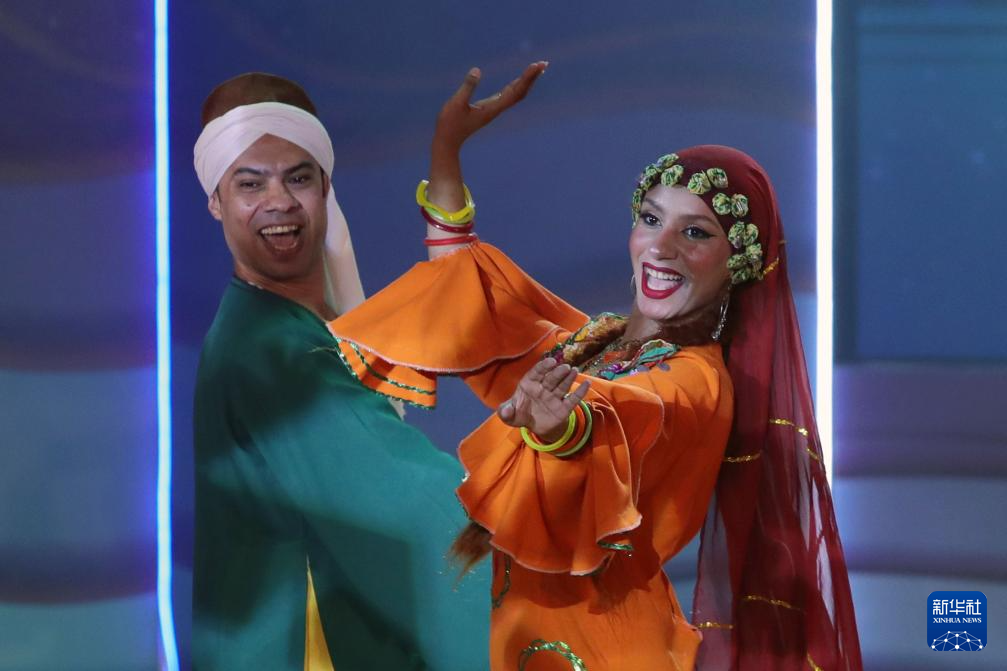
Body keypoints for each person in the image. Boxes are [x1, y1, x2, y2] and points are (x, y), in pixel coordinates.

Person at [328, 64, 863, 670]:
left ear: (736, 263)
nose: (661, 247)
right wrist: (446, 153)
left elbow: (628, 413)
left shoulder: (697, 381)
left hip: (604, 649)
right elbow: (477, 303)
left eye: (695, 233)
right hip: (523, 640)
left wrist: (564, 430)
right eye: (652, 219)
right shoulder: (591, 346)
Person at [190, 72, 489, 671]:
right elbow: (414, 507)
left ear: (326, 186)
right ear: (216, 200)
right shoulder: (269, 352)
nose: (279, 201)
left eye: (298, 178)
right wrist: (541, 526)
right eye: (250, 183)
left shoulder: (299, 326)